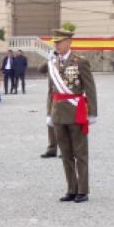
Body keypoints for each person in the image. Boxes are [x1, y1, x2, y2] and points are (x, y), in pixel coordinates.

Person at [46, 29, 98, 203]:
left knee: (80, 153)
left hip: (76, 112)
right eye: (55, 42)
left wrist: (93, 112)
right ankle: (71, 188)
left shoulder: (80, 61)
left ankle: (83, 190)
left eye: (59, 42)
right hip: (58, 113)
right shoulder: (53, 62)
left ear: (69, 42)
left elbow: (90, 88)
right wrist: (48, 113)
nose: (56, 45)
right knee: (66, 154)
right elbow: (50, 91)